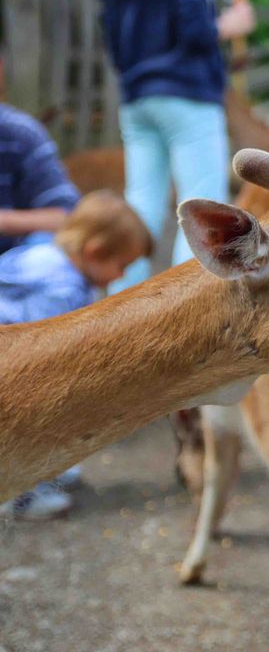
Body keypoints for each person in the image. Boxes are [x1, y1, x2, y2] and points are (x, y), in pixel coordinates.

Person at [98, 0, 255, 290]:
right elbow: (193, 26)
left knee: (141, 200)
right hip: (187, 92)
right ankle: (192, 309)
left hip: (136, 95)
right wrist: (232, 23)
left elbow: (109, 31)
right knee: (201, 203)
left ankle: (120, 310)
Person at [0, 190, 150, 519]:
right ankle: (20, 494)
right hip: (12, 372)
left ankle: (47, 470)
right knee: (37, 412)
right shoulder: (62, 291)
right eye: (121, 265)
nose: (122, 276)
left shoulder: (43, 250)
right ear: (94, 251)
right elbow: (45, 358)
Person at [0, 75, 82, 255]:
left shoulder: (21, 133)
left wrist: (4, 221)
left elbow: (68, 218)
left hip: (13, 269)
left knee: (48, 248)